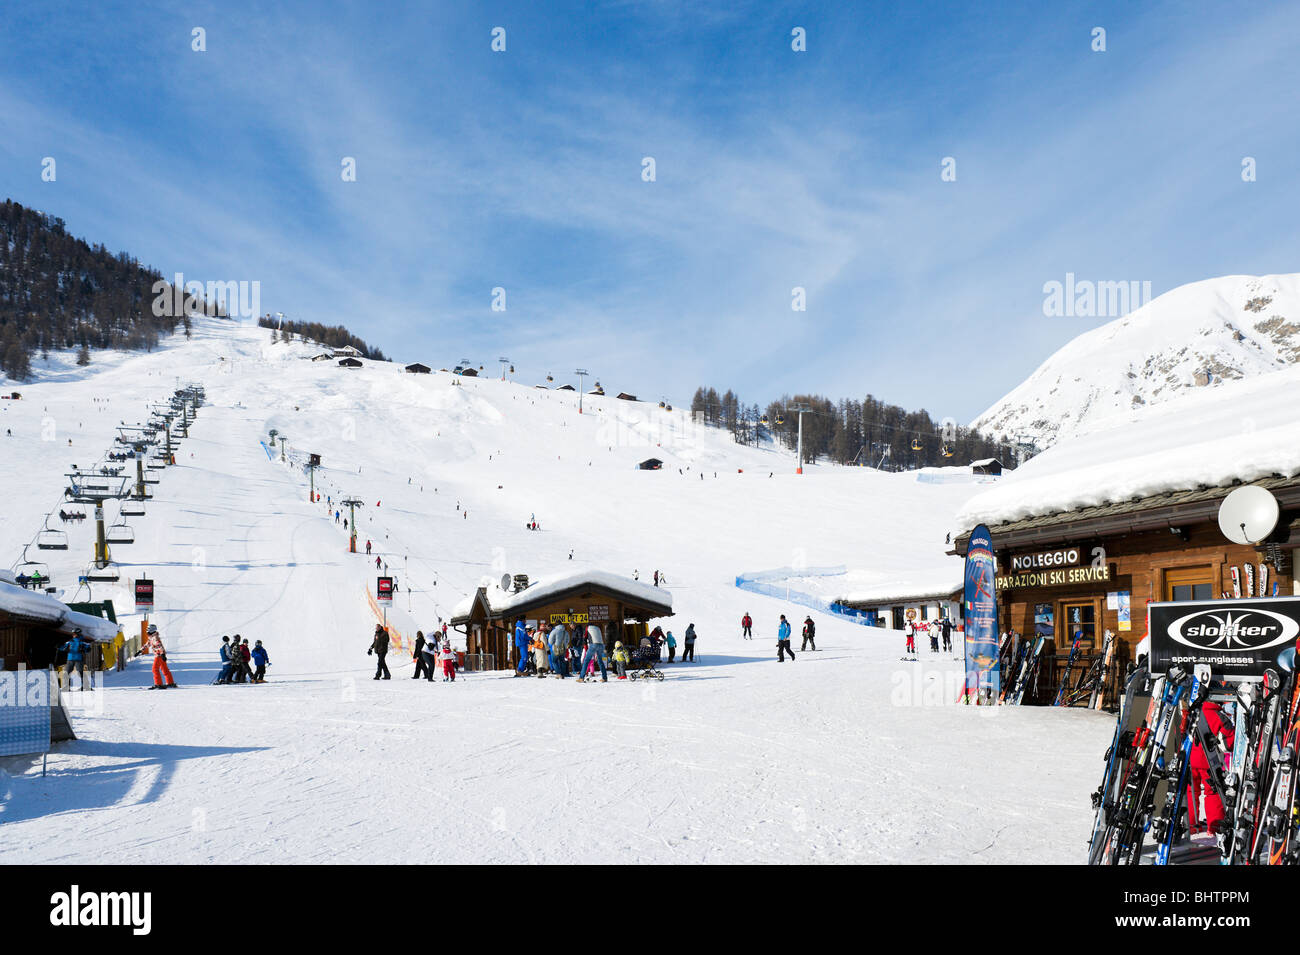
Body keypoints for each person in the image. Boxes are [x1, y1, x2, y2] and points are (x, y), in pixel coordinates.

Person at [1187, 700, 1235, 835]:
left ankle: (1191, 824)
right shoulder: (1219, 716)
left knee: (1191, 791)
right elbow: (1228, 743)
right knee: (1213, 791)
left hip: (1190, 759)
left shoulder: (1192, 712)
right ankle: (1214, 827)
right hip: (1209, 761)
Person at [144, 624, 176, 688]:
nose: (147, 631)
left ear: (151, 630)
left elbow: (159, 645)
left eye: (148, 630)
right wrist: (140, 651)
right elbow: (147, 645)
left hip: (159, 655)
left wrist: (162, 654)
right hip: (160, 654)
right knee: (164, 669)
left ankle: (158, 684)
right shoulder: (152, 637)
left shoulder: (155, 638)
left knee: (155, 669)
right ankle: (170, 682)